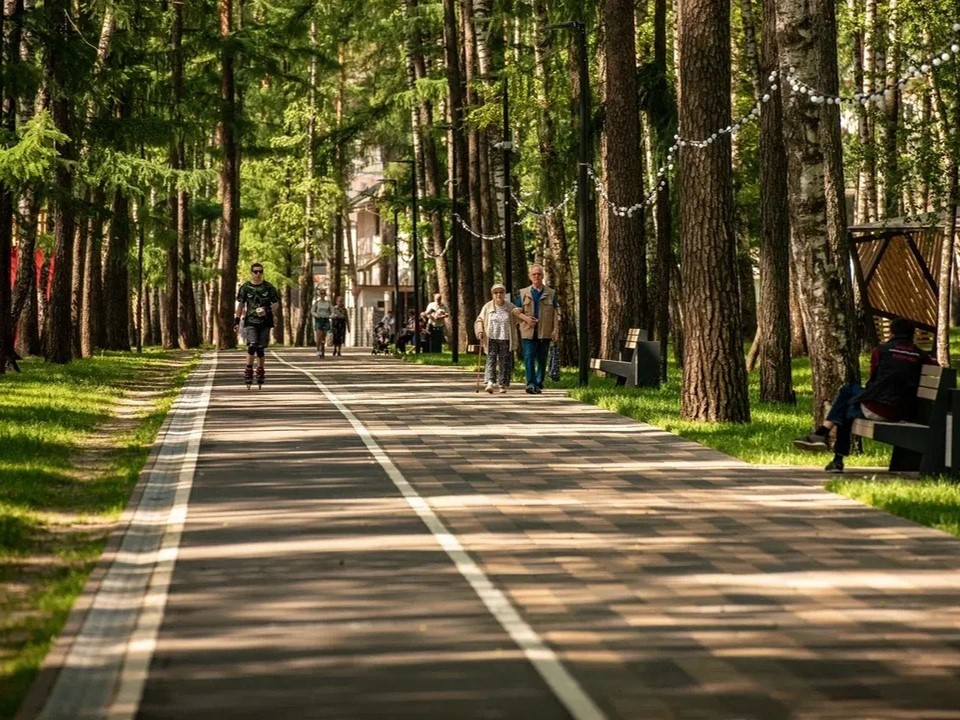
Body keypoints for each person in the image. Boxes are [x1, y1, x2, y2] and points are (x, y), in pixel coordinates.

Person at [793, 317, 937, 473]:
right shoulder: (921, 355)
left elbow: (873, 382)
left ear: (892, 331)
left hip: (878, 407)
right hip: (903, 410)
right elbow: (936, 369)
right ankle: (824, 437)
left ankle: (829, 445)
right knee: (848, 395)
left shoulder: (880, 350)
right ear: (912, 333)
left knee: (846, 403)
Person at [512, 264, 560, 394]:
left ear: (542, 276)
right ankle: (530, 384)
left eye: (539, 274)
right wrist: (527, 319)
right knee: (528, 357)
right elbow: (516, 311)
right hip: (528, 331)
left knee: (542, 358)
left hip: (545, 331)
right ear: (530, 276)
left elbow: (555, 312)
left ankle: (538, 383)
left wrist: (555, 329)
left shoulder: (551, 293)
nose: (536, 276)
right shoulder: (523, 293)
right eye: (534, 274)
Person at [234, 263, 280, 385]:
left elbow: (276, 304)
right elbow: (240, 305)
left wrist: (267, 309)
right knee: (252, 345)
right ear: (251, 272)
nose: (258, 274)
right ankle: (248, 370)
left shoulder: (269, 287)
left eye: (260, 271)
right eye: (255, 272)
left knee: (260, 348)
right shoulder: (245, 287)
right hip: (251, 321)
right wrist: (237, 321)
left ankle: (260, 370)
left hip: (265, 322)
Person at [475, 283, 520, 393]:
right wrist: (480, 330)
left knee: (505, 361)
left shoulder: (510, 306)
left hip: (506, 337)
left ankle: (502, 385)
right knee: (491, 359)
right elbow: (479, 319)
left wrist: (522, 313)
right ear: (492, 295)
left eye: (501, 292)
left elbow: (519, 318)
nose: (498, 294)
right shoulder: (487, 306)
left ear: (504, 294)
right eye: (496, 293)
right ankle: (490, 383)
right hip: (491, 337)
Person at [311, 287, 333, 358]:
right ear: (319, 295)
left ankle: (322, 348)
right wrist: (316, 315)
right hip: (319, 319)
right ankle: (318, 350)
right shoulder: (317, 303)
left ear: (325, 295)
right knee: (319, 336)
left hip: (326, 319)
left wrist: (331, 316)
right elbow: (312, 311)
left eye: (324, 293)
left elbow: (332, 311)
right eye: (321, 294)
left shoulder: (328, 303)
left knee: (324, 336)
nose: (322, 295)